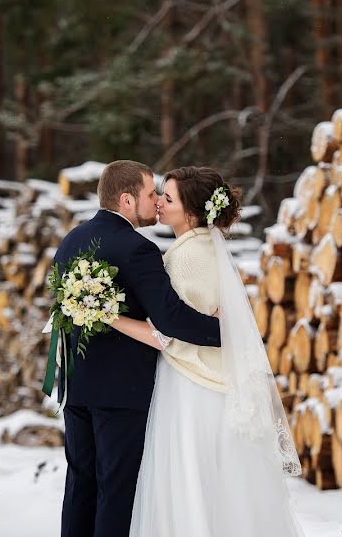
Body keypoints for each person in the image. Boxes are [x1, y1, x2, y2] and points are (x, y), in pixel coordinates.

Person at [111, 166, 304, 537]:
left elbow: (173, 329)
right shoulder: (198, 247)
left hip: (192, 383)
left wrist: (113, 318)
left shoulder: (188, 257)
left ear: (192, 213)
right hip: (204, 377)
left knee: (188, 471)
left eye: (168, 199)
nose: (159, 204)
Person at [53, 161, 222, 537]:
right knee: (116, 489)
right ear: (127, 200)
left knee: (80, 486)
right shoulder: (137, 248)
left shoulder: (72, 241)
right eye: (150, 194)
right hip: (122, 392)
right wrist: (226, 332)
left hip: (77, 387)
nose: (156, 202)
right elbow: (172, 318)